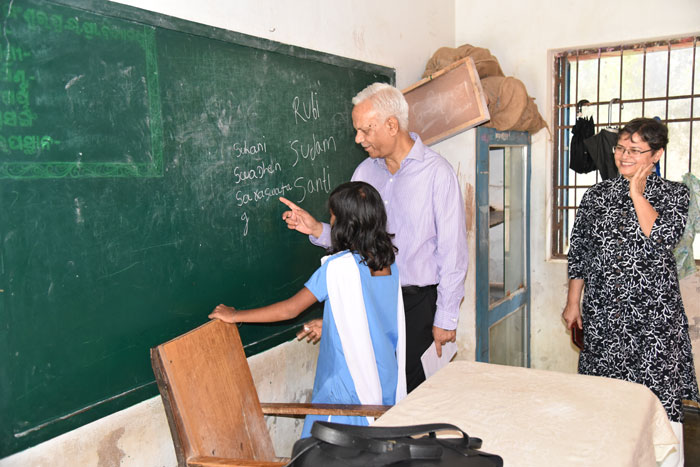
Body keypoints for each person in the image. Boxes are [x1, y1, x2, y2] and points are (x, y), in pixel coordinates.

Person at [282, 82, 468, 392]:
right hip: (373, 297)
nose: (358, 139)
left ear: (392, 125)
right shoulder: (364, 174)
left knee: (414, 392)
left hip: (417, 303)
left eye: (365, 130)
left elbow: (453, 254)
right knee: (377, 389)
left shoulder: (437, 174)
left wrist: (445, 318)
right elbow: (358, 242)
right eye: (357, 131)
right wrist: (317, 229)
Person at [210, 181, 406, 437]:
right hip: (384, 377)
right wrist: (331, 324)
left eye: (333, 215)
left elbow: (289, 310)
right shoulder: (386, 263)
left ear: (345, 224)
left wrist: (234, 315)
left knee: (325, 452)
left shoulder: (338, 268)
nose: (330, 220)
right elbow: (375, 317)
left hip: (346, 386)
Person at [562, 118, 699, 466]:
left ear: (656, 154)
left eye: (635, 150)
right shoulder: (596, 197)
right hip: (606, 315)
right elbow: (581, 252)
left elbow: (661, 239)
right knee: (604, 397)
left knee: (656, 400)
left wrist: (637, 193)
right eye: (621, 148)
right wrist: (572, 302)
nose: (624, 156)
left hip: (654, 319)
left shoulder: (675, 195)